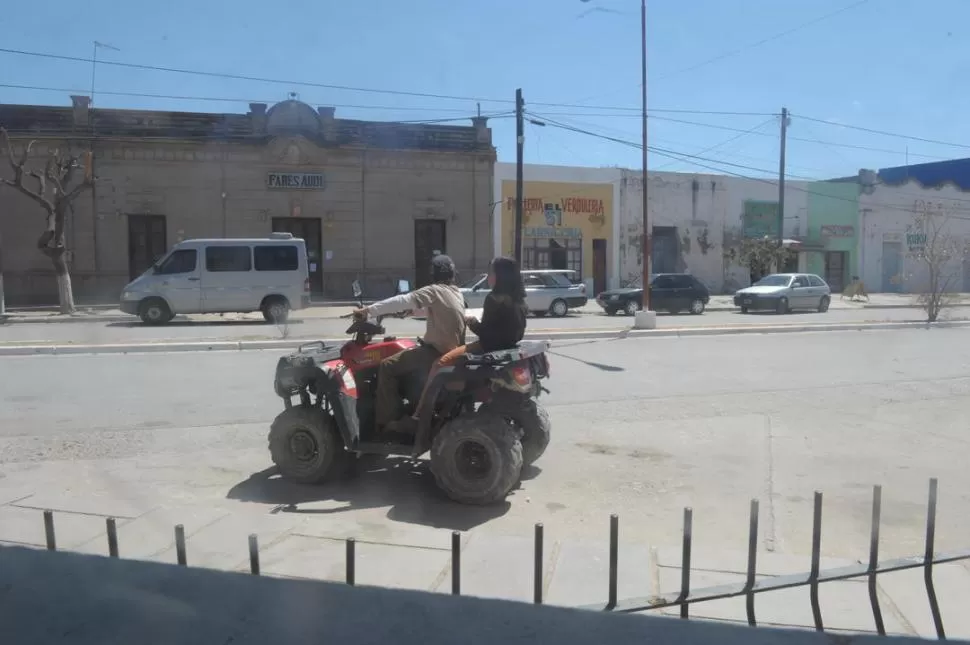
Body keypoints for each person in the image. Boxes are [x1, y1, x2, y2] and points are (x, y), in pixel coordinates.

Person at [401, 256, 528, 431]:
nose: (489, 276)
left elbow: (488, 335)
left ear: (500, 276)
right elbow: (509, 332)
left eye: (491, 272)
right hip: (506, 347)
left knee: (439, 364)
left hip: (487, 347)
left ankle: (419, 413)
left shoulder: (493, 299)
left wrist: (474, 324)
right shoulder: (519, 300)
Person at [353, 254, 465, 435]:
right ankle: (408, 405)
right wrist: (408, 312)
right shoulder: (455, 292)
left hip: (436, 351)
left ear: (433, 274)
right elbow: (436, 310)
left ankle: (388, 422)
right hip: (451, 349)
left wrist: (368, 311)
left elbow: (404, 299)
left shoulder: (435, 290)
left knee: (387, 366)